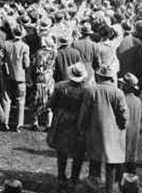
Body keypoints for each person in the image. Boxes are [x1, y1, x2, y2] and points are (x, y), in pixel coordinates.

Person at [78, 64, 129, 193]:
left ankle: (93, 188)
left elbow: (84, 113)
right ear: (112, 77)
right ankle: (109, 189)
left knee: (94, 163)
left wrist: (82, 127)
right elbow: (124, 115)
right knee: (111, 165)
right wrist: (122, 126)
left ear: (99, 76)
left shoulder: (91, 91)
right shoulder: (118, 93)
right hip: (113, 134)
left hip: (95, 133)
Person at [47, 63, 88, 191]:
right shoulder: (86, 91)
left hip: (62, 120)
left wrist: (58, 113)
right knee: (78, 152)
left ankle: (61, 176)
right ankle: (74, 178)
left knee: (62, 150)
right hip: (78, 122)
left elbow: (51, 103)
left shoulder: (60, 86)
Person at [0, 26, 30, 132]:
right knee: (20, 101)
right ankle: (19, 124)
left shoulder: (6, 44)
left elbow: (1, 57)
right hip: (20, 76)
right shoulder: (25, 47)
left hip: (7, 75)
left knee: (6, 99)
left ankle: (5, 122)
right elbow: (26, 64)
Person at [118, 73, 142, 179]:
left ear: (127, 87)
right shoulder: (138, 101)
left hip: (124, 132)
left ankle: (120, 181)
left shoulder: (122, 99)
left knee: (121, 158)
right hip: (135, 132)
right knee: (132, 157)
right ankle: (132, 183)